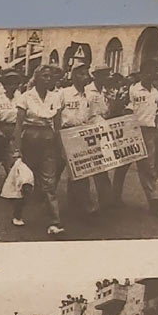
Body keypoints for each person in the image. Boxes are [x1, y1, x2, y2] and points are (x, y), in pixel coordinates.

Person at [11, 65, 65, 236]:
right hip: (29, 142)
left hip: (48, 142)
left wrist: (60, 148)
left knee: (49, 184)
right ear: (37, 78)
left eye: (50, 77)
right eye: (45, 76)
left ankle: (55, 222)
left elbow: (57, 126)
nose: (48, 79)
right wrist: (17, 149)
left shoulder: (55, 97)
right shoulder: (26, 97)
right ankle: (17, 213)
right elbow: (19, 125)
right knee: (27, 181)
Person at [112, 67, 158, 215]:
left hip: (149, 132)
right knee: (123, 165)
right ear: (142, 74)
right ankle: (114, 197)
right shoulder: (133, 89)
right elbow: (125, 107)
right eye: (148, 72)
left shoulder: (155, 92)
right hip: (133, 130)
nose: (152, 75)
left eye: (155, 72)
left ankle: (153, 201)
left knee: (148, 167)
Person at [60, 64, 111, 216]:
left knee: (80, 170)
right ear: (74, 76)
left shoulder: (89, 96)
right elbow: (56, 116)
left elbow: (94, 115)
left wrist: (102, 127)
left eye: (86, 74)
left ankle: (82, 207)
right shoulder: (64, 94)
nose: (85, 77)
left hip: (84, 134)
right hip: (67, 133)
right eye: (81, 74)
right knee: (63, 170)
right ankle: (48, 199)